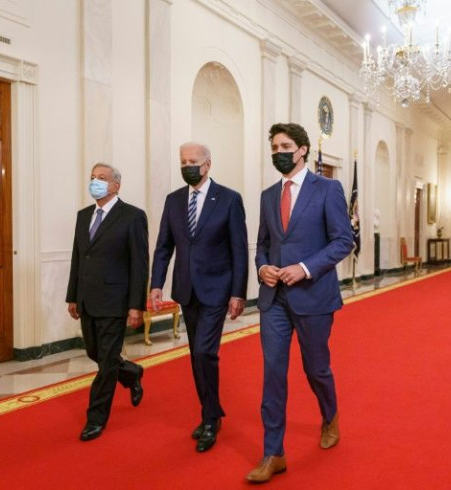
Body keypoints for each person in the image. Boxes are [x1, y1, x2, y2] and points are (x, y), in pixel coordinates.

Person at [246, 123, 354, 483]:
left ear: (303, 150)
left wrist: (305, 268)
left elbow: (343, 241)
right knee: (273, 374)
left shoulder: (328, 189)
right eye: (274, 145)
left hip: (314, 297)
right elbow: (261, 243)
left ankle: (330, 415)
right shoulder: (266, 195)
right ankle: (273, 453)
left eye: (286, 145)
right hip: (273, 299)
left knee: (316, 369)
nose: (279, 151)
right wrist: (262, 267)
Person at [150, 142, 248, 452]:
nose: (187, 165)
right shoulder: (174, 200)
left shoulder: (229, 200)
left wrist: (238, 293)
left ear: (207, 165)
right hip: (186, 290)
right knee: (195, 355)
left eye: (193, 160)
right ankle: (211, 413)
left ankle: (210, 417)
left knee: (205, 352)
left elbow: (239, 250)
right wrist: (156, 284)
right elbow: (164, 246)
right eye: (183, 161)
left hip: (217, 289)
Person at [66, 162, 149, 442]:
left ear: (116, 185)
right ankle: (131, 372)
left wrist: (136, 305)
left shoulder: (132, 216)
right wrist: (72, 296)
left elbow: (140, 264)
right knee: (96, 354)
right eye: (92, 178)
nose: (95, 182)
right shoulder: (83, 215)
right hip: (87, 299)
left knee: (105, 364)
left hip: (116, 301)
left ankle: (96, 418)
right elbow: (78, 257)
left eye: (101, 178)